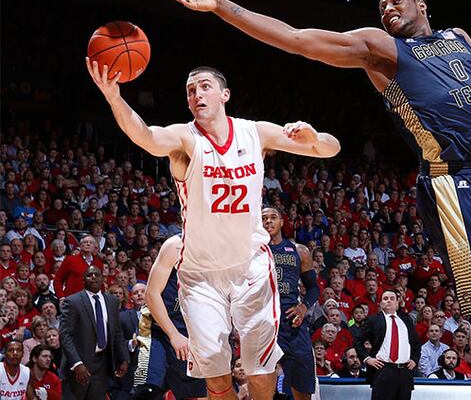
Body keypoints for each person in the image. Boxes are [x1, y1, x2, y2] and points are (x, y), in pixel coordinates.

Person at [166, 0, 471, 399]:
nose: (387, 9)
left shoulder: (458, 39)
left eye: (396, 1)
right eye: (382, 6)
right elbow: (298, 39)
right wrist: (223, 6)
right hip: (454, 184)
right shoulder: (384, 50)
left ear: (422, 5)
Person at [85, 53, 340, 399]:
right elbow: (145, 136)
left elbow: (330, 149)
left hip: (250, 267)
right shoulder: (185, 139)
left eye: (205, 87)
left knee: (260, 370)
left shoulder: (255, 133)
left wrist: (313, 137)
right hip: (201, 275)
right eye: (190, 91)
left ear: (225, 94)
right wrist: (114, 97)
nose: (196, 95)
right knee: (217, 380)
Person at [137, 235, 207, 400]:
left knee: (200, 393)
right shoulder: (175, 245)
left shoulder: (216, 250)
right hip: (159, 329)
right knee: (148, 391)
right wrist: (173, 334)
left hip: (192, 334)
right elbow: (151, 294)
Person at [263, 207, 319, 400]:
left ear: (282, 222)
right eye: (263, 218)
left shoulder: (299, 251)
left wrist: (303, 308)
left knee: (301, 382)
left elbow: (313, 288)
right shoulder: (252, 251)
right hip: (264, 320)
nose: (268, 221)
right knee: (262, 379)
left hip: (291, 319)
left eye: (273, 217)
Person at [59, 266, 129, 399]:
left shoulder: (112, 301)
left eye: (96, 275)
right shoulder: (72, 302)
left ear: (103, 279)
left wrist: (123, 358)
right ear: (83, 280)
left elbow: (117, 333)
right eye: (89, 275)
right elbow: (65, 335)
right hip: (78, 365)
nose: (93, 277)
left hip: (102, 364)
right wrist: (77, 364)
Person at [355, 289, 420, 400]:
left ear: (397, 303)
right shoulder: (373, 320)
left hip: (404, 372)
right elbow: (357, 341)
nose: (388, 301)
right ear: (380, 303)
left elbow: (416, 343)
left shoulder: (406, 320)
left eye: (392, 299)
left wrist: (414, 359)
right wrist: (367, 359)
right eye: (385, 299)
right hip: (383, 369)